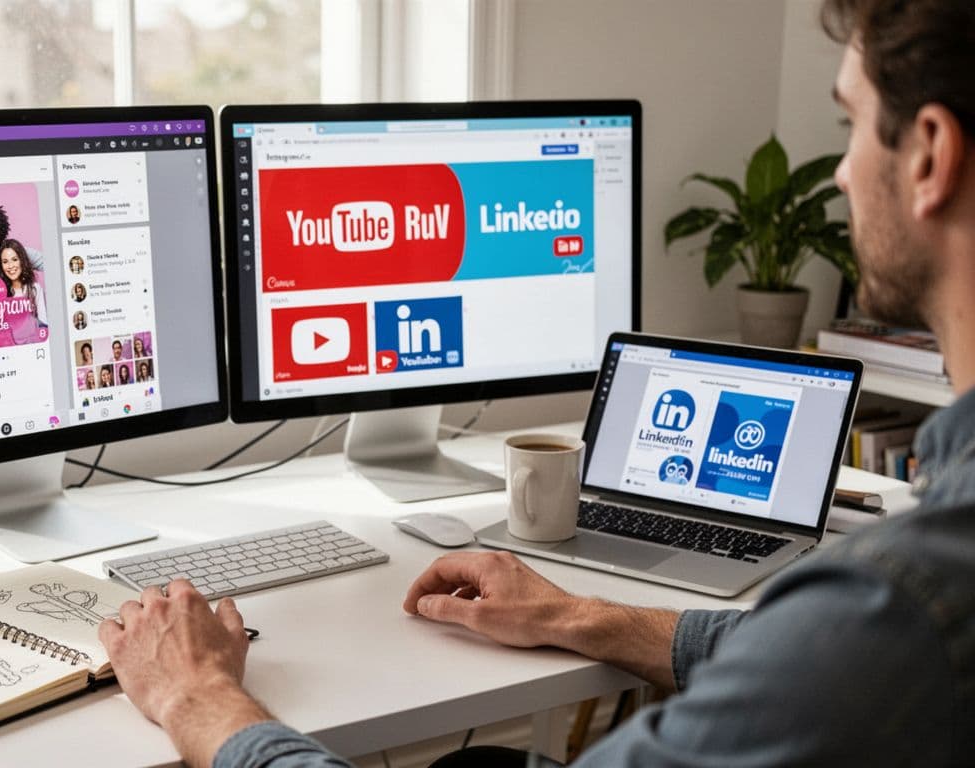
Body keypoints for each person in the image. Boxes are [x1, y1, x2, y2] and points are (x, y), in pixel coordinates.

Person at [97, 2, 975, 766]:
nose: (843, 174)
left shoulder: (903, 602)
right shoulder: (891, 607)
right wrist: (580, 617)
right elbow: (799, 659)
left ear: (929, 153)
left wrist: (196, 698)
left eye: (847, 129)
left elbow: (843, 654)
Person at [0, 239, 48, 344]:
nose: (11, 266)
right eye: (5, 262)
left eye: (14, 259)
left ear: (22, 260)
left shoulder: (34, 289)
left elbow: (43, 323)